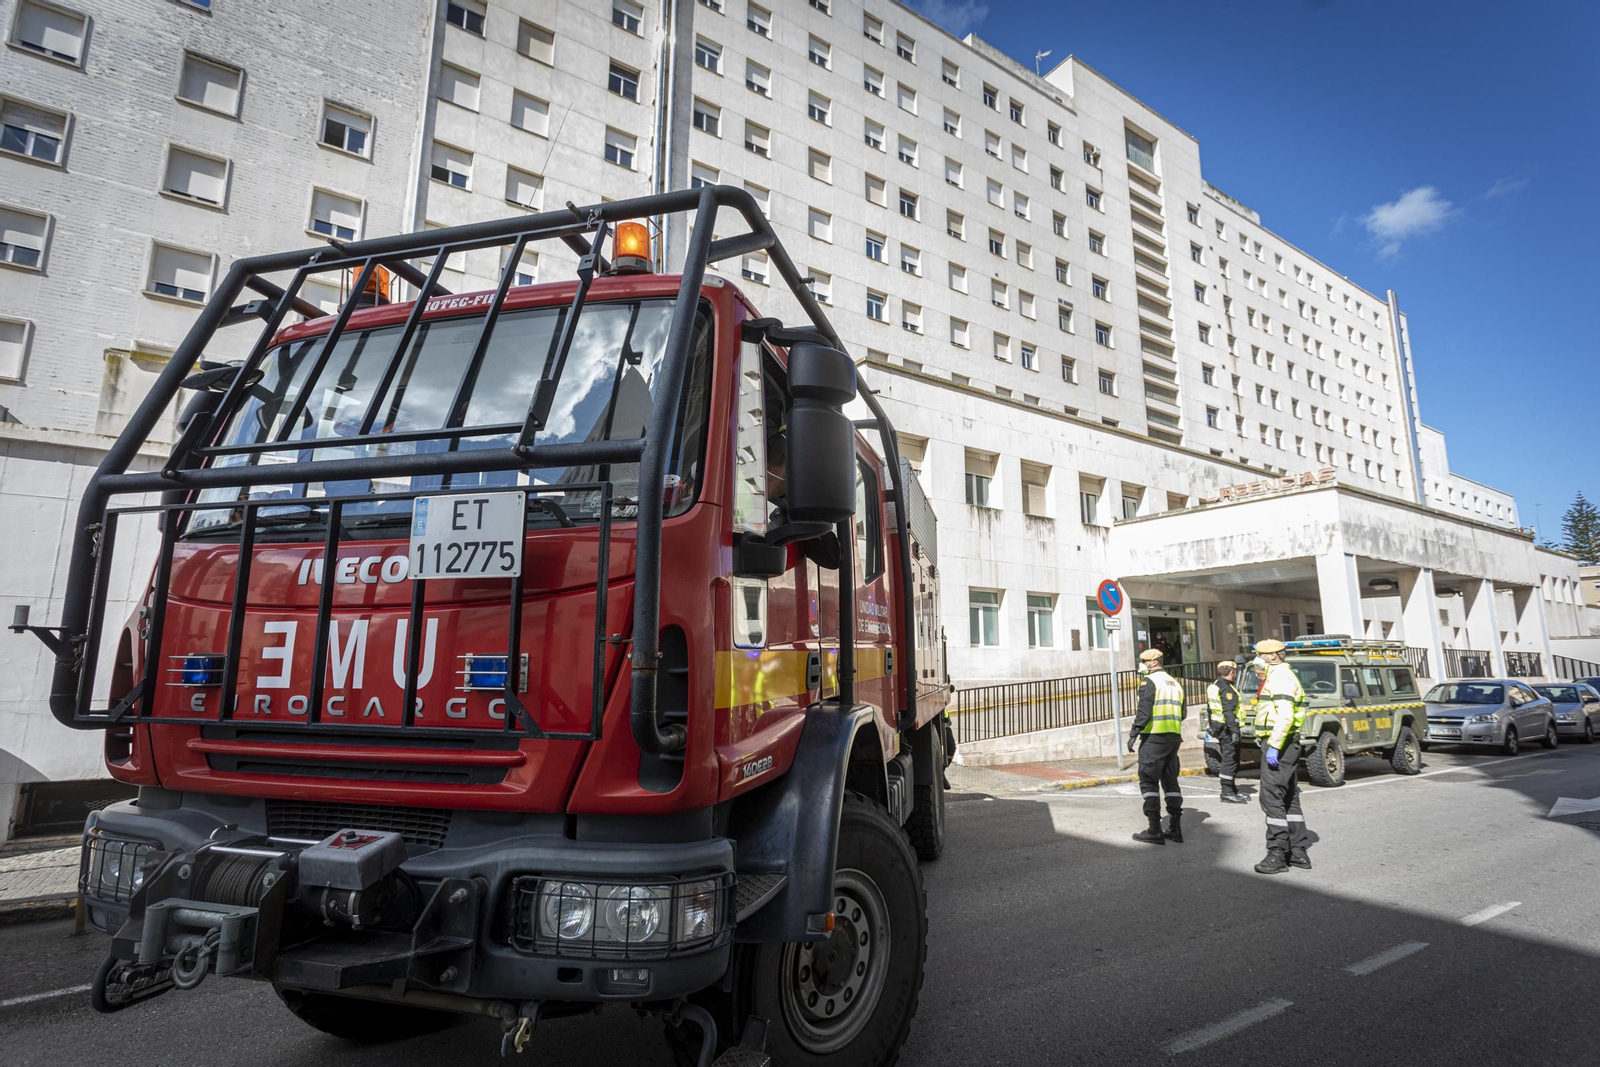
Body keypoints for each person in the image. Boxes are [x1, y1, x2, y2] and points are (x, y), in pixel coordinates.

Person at [1252, 639, 1312, 874]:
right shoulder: (1278, 675)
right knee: (1289, 797)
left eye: (1261, 655)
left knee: (1271, 797)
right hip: (1285, 742)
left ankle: (1277, 853)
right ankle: (1298, 852)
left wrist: (1275, 746)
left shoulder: (1280, 677)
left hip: (1281, 743)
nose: (1258, 658)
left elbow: (1285, 715)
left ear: (1273, 656)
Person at [1127, 647, 1187, 845]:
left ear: (1154, 662)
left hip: (1154, 738)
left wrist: (1134, 733)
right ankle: (1175, 829)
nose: (1142, 665)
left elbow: (1144, 712)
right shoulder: (1176, 683)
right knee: (1170, 782)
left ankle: (1154, 830)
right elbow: (1183, 713)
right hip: (1173, 738)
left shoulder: (1148, 682)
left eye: (1144, 662)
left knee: (1149, 781)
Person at [1208, 660, 1249, 804]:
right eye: (1235, 672)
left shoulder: (1215, 685)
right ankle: (1227, 792)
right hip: (1227, 728)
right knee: (1230, 760)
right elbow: (1228, 711)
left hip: (1220, 727)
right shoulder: (1226, 688)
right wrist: (1234, 731)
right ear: (1231, 672)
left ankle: (1232, 789)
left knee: (1231, 759)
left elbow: (1210, 709)